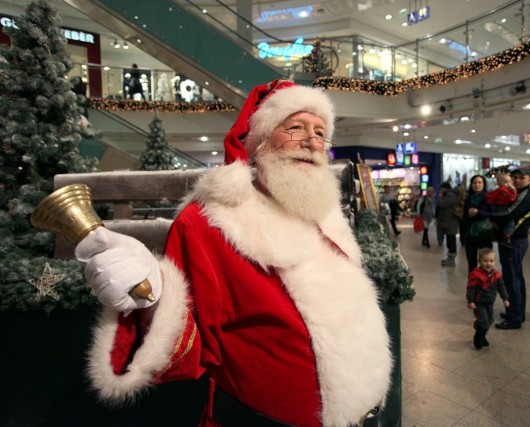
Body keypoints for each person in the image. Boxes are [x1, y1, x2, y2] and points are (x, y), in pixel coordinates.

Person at [74, 79, 392, 426]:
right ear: (259, 142)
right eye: (295, 128)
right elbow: (186, 340)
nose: (311, 141)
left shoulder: (324, 218)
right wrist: (149, 295)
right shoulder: (211, 223)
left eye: (320, 132)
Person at [492, 166, 530, 330]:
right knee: (515, 278)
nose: (517, 180)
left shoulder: (526, 196)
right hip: (514, 241)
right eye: (515, 177)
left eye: (521, 178)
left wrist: (486, 215)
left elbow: (508, 214)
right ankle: (516, 311)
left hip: (515, 241)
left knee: (512, 280)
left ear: (529, 179)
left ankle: (515, 318)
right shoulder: (519, 193)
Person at [466, 248, 509, 349]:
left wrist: (505, 298)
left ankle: (482, 335)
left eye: (491, 261)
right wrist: (471, 301)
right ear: (479, 261)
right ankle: (478, 338)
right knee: (484, 322)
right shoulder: (476, 274)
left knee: (489, 321)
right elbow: (471, 288)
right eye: (485, 261)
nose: (488, 263)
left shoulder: (496, 274)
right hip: (479, 303)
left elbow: (501, 287)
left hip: (490, 302)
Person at [463, 175, 494, 274]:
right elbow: (464, 217)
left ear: (484, 184)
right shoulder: (468, 199)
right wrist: (469, 215)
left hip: (484, 232)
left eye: (480, 182)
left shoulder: (488, 198)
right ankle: (473, 282)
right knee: (471, 261)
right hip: (470, 233)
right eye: (475, 183)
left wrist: (478, 212)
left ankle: (485, 282)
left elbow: (492, 214)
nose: (477, 185)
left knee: (485, 260)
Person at [485, 172, 517, 247]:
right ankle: (506, 237)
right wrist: (514, 191)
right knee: (510, 222)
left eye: (510, 182)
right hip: (503, 208)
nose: (508, 184)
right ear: (498, 183)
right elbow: (511, 199)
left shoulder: (499, 190)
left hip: (497, 208)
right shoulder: (504, 190)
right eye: (506, 182)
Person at [437, 182, 459, 267]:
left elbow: (442, 204)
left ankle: (451, 261)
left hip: (450, 221)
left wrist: (441, 197)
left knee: (451, 241)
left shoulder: (450, 195)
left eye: (442, 188)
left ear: (445, 188)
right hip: (448, 221)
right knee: (449, 241)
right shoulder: (450, 194)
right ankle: (449, 259)